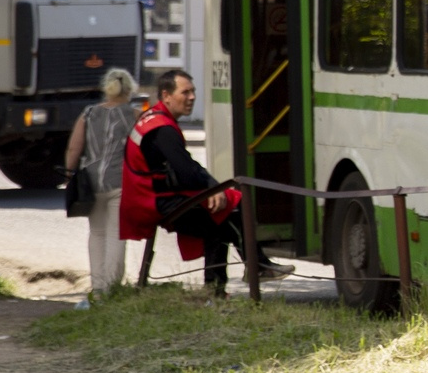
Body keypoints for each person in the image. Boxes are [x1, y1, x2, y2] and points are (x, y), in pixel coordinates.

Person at [119, 69, 292, 295]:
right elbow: (187, 171)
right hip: (152, 202)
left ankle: (233, 279)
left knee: (225, 208)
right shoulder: (161, 128)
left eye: (193, 92)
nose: (192, 97)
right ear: (166, 95)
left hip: (150, 197)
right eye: (185, 92)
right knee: (223, 214)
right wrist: (213, 188)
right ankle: (235, 278)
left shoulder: (153, 118)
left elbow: (185, 169)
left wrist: (213, 188)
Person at [63, 68, 139, 296]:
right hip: (121, 183)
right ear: (129, 90)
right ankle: (112, 287)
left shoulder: (88, 114)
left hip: (91, 183)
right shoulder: (134, 115)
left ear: (106, 89)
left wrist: (70, 176)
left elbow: (74, 149)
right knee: (117, 234)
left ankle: (98, 287)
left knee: (97, 233)